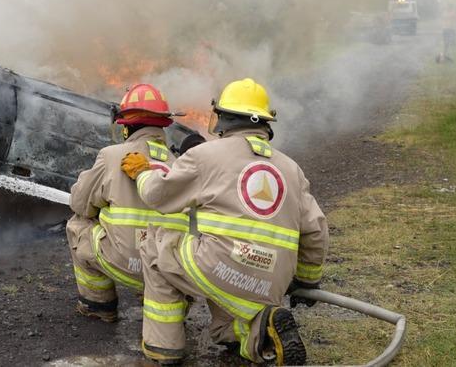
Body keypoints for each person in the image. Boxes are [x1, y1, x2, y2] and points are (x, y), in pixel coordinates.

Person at [121, 78, 328, 365]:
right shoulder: (292, 169)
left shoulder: (205, 155)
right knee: (223, 331)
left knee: (157, 243)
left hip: (223, 266)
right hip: (272, 282)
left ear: (224, 119)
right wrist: (306, 279)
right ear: (265, 123)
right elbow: (316, 230)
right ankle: (260, 333)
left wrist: (142, 173)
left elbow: (158, 196)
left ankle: (163, 347)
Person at [66, 83, 188, 323]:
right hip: (168, 268)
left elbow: (80, 204)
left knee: (78, 225)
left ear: (127, 126)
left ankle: (98, 305)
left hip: (129, 264)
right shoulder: (180, 163)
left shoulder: (112, 155)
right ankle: (161, 304)